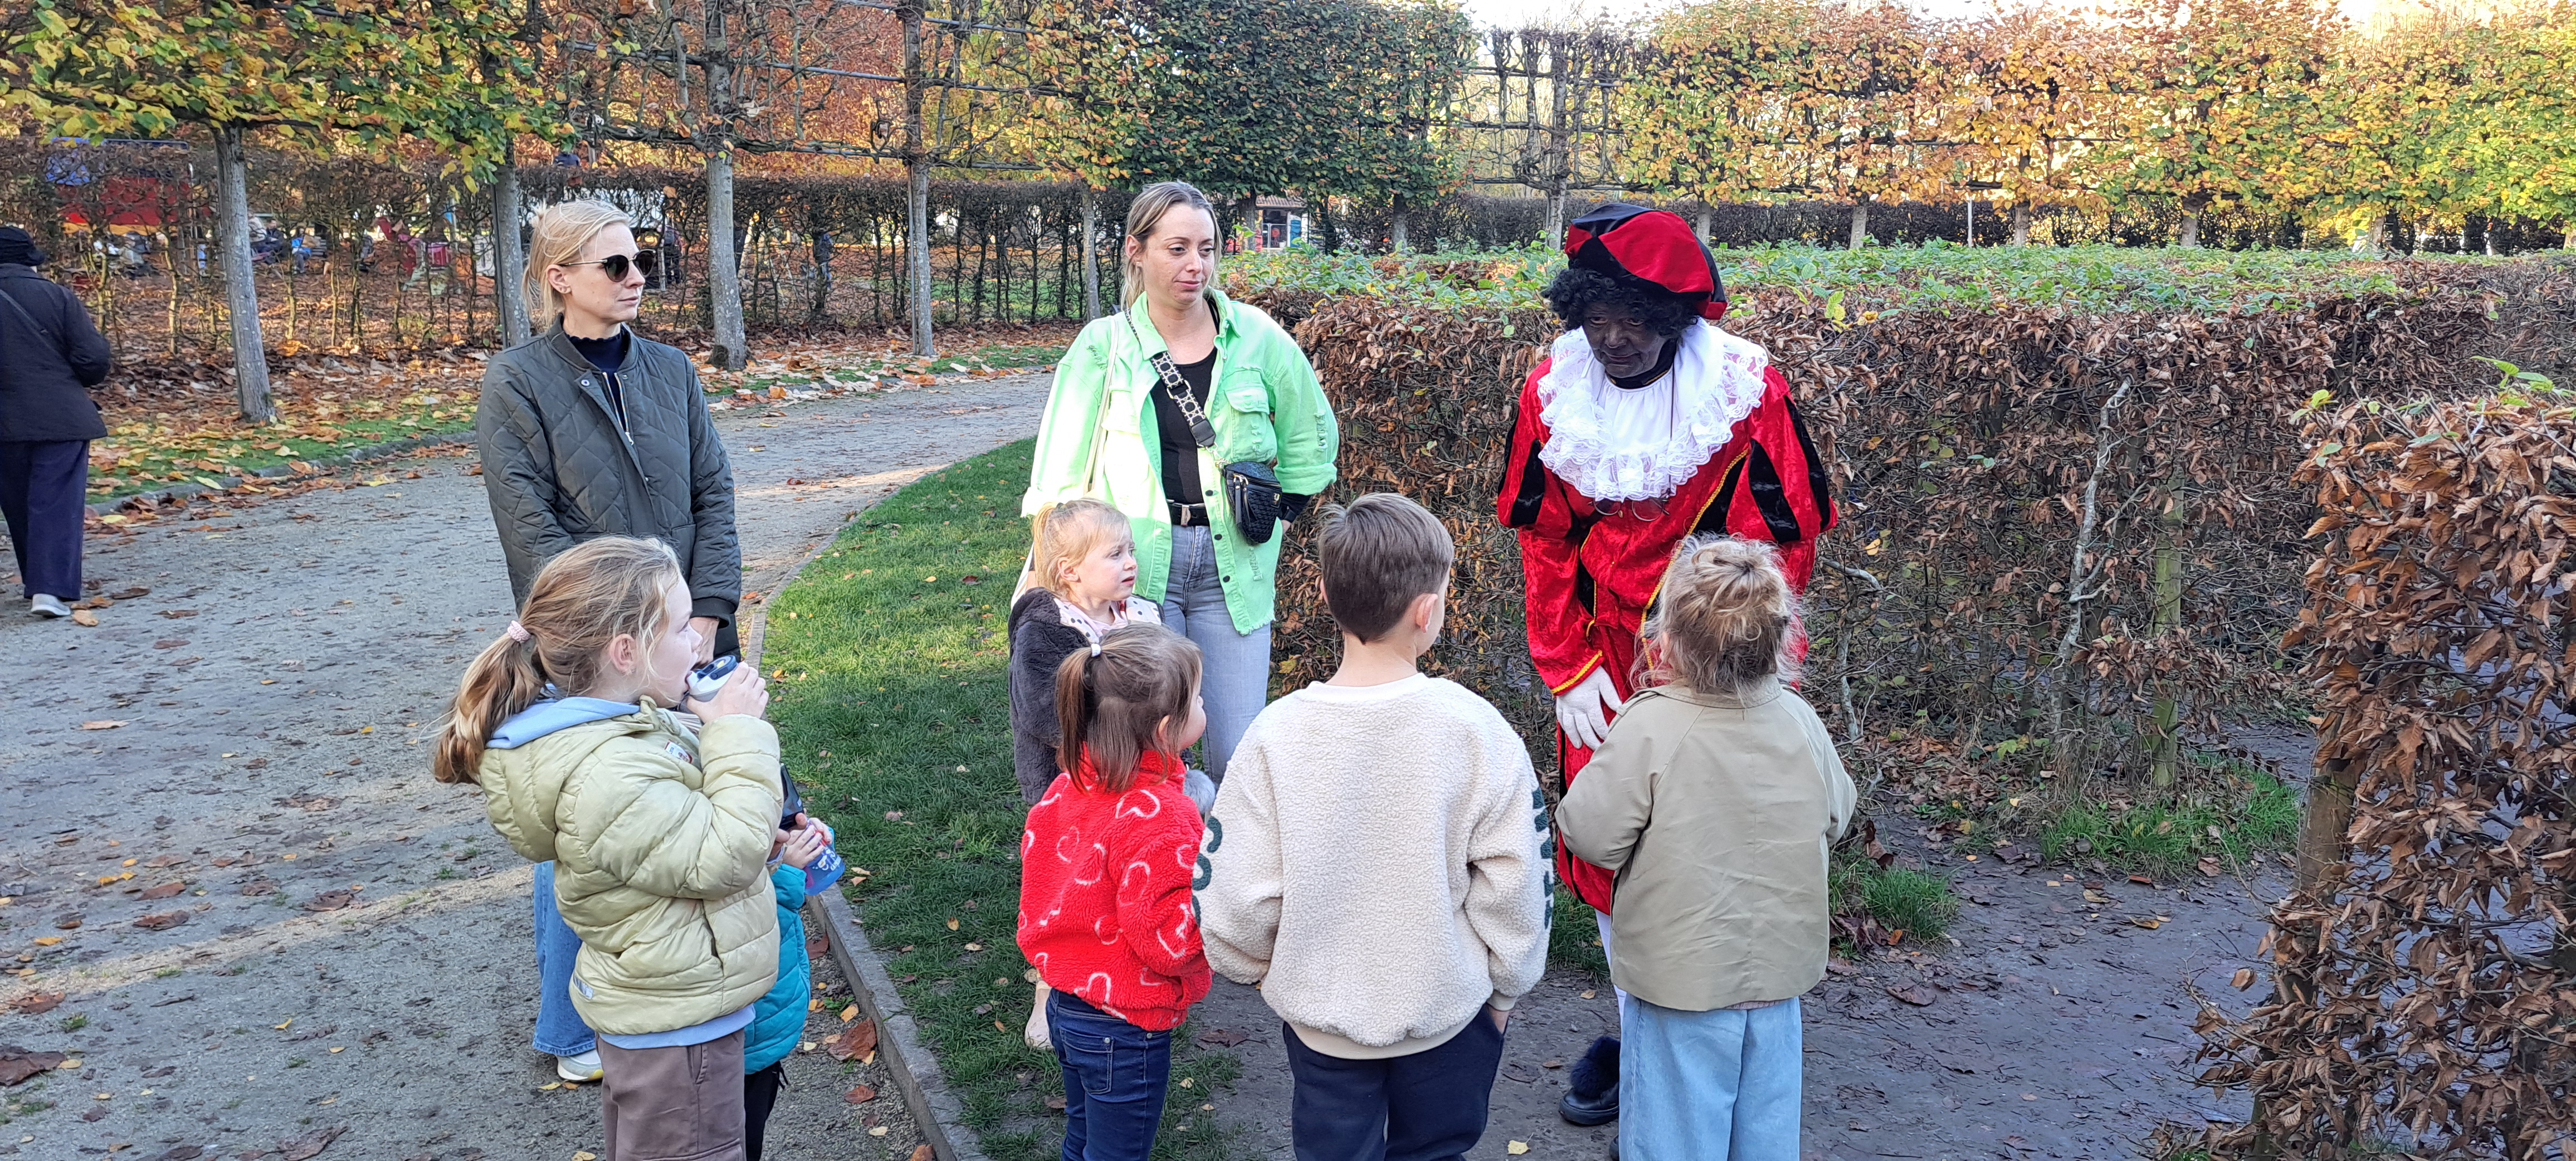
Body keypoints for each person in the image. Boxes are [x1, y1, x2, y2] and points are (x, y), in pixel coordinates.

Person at [1496, 203, 1837, 1125]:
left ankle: (1711, 1049)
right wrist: (1565, 664)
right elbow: (1543, 539)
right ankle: (1638, 1032)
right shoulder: (1554, 393)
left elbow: (1783, 544)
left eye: (1633, 321)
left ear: (1674, 318)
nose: (1612, 340)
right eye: (1595, 319)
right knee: (1612, 849)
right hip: (1602, 661)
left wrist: (1728, 658)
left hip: (1718, 657)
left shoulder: (1744, 395)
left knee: (1724, 845)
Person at [476, 199, 744, 1084]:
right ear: (559, 279)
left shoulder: (671, 370)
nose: (636, 279)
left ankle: (700, 998)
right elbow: (531, 530)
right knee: (587, 828)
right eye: (615, 265)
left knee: (703, 806)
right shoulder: (518, 382)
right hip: (593, 651)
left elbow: (714, 494)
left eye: (642, 261)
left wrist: (704, 614)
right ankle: (571, 1028)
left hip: (692, 633)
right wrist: (627, 639)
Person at [1198, 493, 1552, 1161]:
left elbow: (1237, 889)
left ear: (1325, 595)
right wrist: (1509, 985)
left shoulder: (1273, 736)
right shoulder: (1477, 731)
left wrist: (1257, 967)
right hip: (1451, 1015)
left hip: (1322, 1024)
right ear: (1427, 610)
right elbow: (1517, 879)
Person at [434, 536, 780, 1161]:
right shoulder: (606, 768)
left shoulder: (617, 732)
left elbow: (683, 842)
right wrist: (738, 731)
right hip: (677, 1027)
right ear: (627, 651)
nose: (698, 643)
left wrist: (766, 837)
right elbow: (723, 856)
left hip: (668, 1007)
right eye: (682, 628)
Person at [1022, 180, 1339, 785]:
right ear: (1136, 251)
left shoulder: (1257, 338)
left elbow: (1311, 434)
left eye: (1207, 248)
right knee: (1151, 751)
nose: (1197, 264)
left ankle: (1233, 848)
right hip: (1135, 571)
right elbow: (1057, 477)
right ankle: (1164, 845)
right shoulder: (1103, 348)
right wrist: (1059, 567)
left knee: (1239, 752)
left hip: (1234, 569)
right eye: (1177, 249)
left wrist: (1282, 512)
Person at [1555, 536, 1856, 1160]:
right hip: (1779, 976)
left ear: (1666, 639)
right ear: (1781, 638)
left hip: (1679, 982)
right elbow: (1839, 814)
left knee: (1673, 1138)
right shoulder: (1799, 720)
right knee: (1766, 1134)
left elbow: (1589, 834)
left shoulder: (1650, 723)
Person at [1016, 623, 1212, 1161]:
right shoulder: (1164, 816)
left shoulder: (1068, 788)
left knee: (1081, 1140)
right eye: (1198, 697)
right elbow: (1170, 945)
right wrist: (1218, 899)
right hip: (1124, 1028)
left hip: (1067, 1005)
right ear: (1168, 729)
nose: (1205, 704)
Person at [0, 226, 113, 621]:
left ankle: (37, 580)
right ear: (29, 259)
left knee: (18, 504)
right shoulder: (58, 296)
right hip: (60, 415)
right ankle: (48, 589)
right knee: (56, 501)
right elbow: (93, 359)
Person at [745, 813, 841, 1161]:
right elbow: (750, 937)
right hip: (741, 1036)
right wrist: (786, 873)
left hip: (760, 1030)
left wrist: (804, 839)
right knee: (735, 1139)